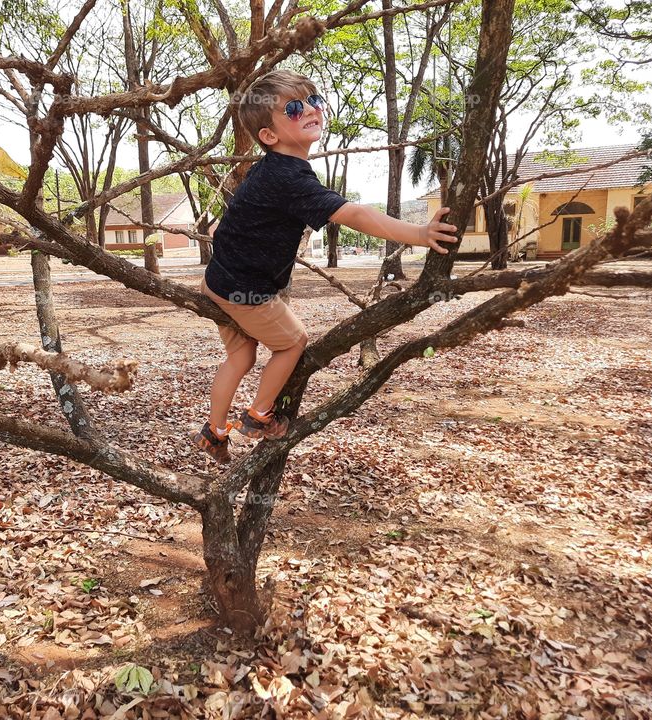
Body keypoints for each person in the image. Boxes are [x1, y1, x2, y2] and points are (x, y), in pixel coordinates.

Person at [192, 69, 458, 463]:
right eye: (295, 108)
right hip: (245, 291)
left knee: (241, 358)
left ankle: (214, 433)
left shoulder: (271, 170)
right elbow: (353, 214)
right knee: (293, 342)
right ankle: (257, 417)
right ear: (269, 136)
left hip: (217, 281)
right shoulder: (289, 176)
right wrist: (419, 234)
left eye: (314, 101)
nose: (311, 110)